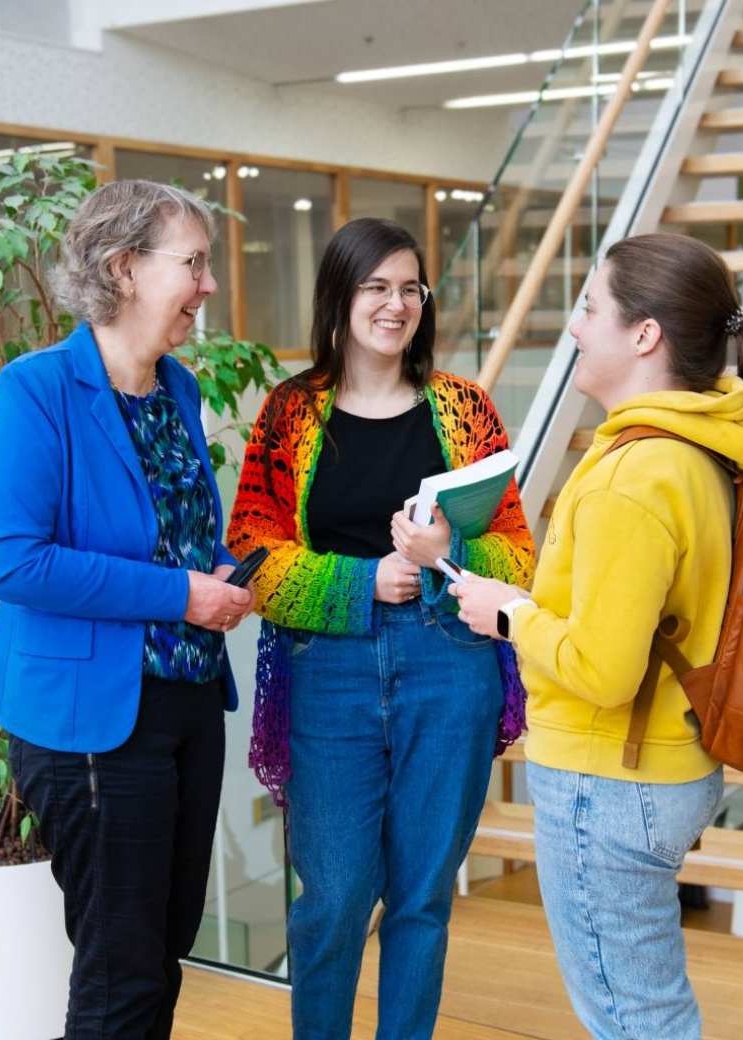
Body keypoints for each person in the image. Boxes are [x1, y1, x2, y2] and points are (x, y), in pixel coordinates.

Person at [451, 232, 743, 1040]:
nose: (574, 326)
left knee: (633, 1018)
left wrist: (509, 614)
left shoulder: (633, 475)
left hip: (609, 782)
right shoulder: (711, 446)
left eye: (589, 308)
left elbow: (604, 670)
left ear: (644, 335)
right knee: (646, 1007)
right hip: (672, 761)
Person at [227, 217, 534, 1038]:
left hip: (451, 665)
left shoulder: (464, 407)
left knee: (423, 898)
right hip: (328, 671)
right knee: (331, 898)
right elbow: (252, 551)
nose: (395, 305)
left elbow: (518, 556)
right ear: (340, 296)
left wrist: (450, 550)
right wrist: (365, 581)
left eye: (410, 288)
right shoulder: (290, 412)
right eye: (376, 287)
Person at [0, 179, 253, 1040]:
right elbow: (12, 560)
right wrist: (181, 593)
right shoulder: (38, 389)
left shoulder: (177, 389)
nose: (209, 286)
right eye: (194, 264)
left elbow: (171, 535)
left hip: (188, 706)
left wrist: (224, 573)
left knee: (161, 949)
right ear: (125, 268)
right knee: (118, 970)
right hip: (91, 724)